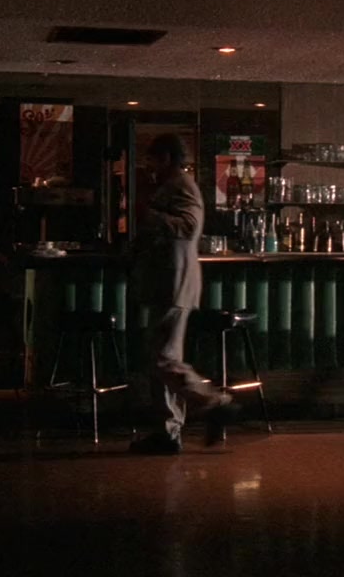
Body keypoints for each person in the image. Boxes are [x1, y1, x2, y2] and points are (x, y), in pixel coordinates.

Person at [129, 133, 237, 455]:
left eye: (152, 158)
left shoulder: (182, 185)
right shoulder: (171, 185)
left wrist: (148, 215)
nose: (148, 164)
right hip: (167, 283)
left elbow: (190, 227)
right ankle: (168, 432)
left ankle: (214, 402)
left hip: (173, 283)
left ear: (166, 157)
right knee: (164, 360)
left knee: (162, 359)